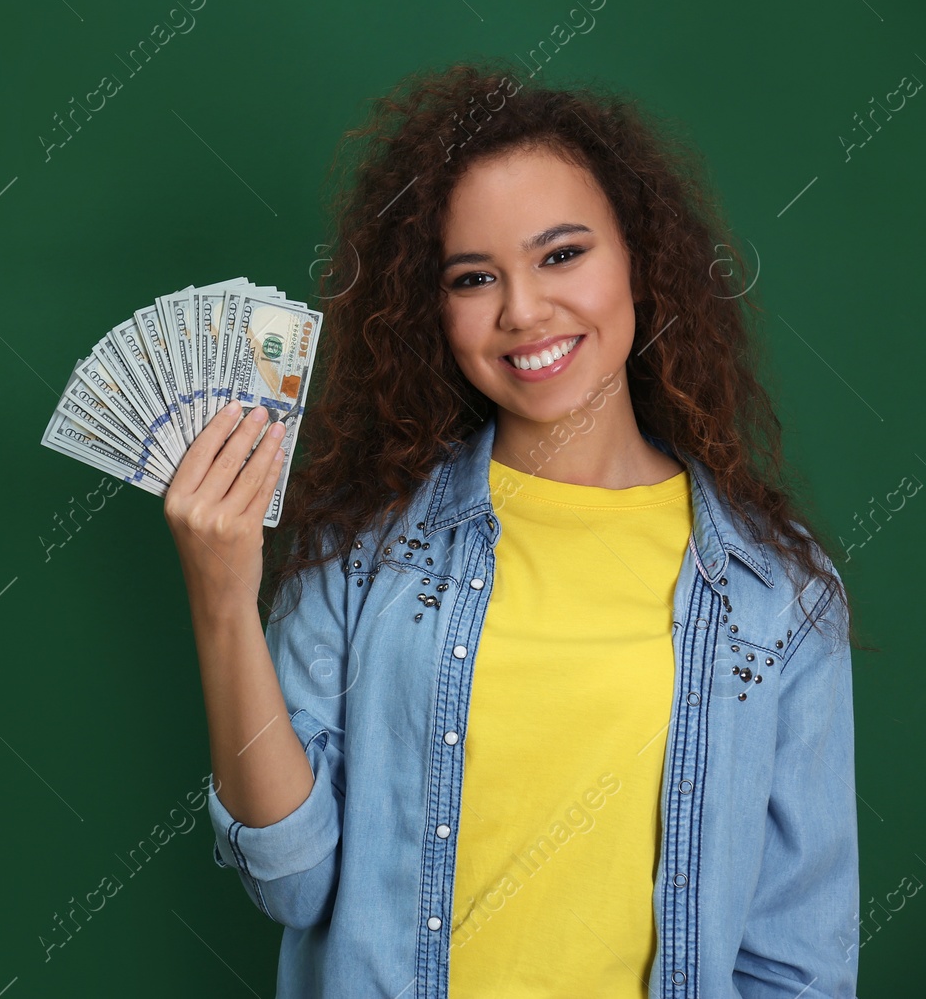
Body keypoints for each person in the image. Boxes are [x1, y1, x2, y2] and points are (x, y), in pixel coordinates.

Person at [163, 61, 863, 998]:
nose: (523, 309)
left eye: (562, 254)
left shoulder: (778, 591)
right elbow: (291, 881)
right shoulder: (363, 552)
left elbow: (799, 962)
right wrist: (221, 600)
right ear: (433, 311)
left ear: (641, 260)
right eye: (473, 276)